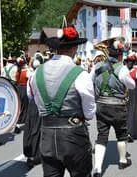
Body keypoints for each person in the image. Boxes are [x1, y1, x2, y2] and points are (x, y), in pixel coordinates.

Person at [27, 18, 96, 177]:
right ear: (74, 48)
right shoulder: (80, 74)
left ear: (57, 48)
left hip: (47, 136)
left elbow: (32, 96)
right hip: (74, 136)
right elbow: (90, 112)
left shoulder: (36, 72)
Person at [92, 38, 136, 177]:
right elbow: (132, 85)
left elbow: (90, 80)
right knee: (121, 134)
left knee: (102, 136)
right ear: (119, 55)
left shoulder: (97, 66)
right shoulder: (121, 68)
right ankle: (122, 160)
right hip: (117, 106)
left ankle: (98, 168)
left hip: (101, 105)